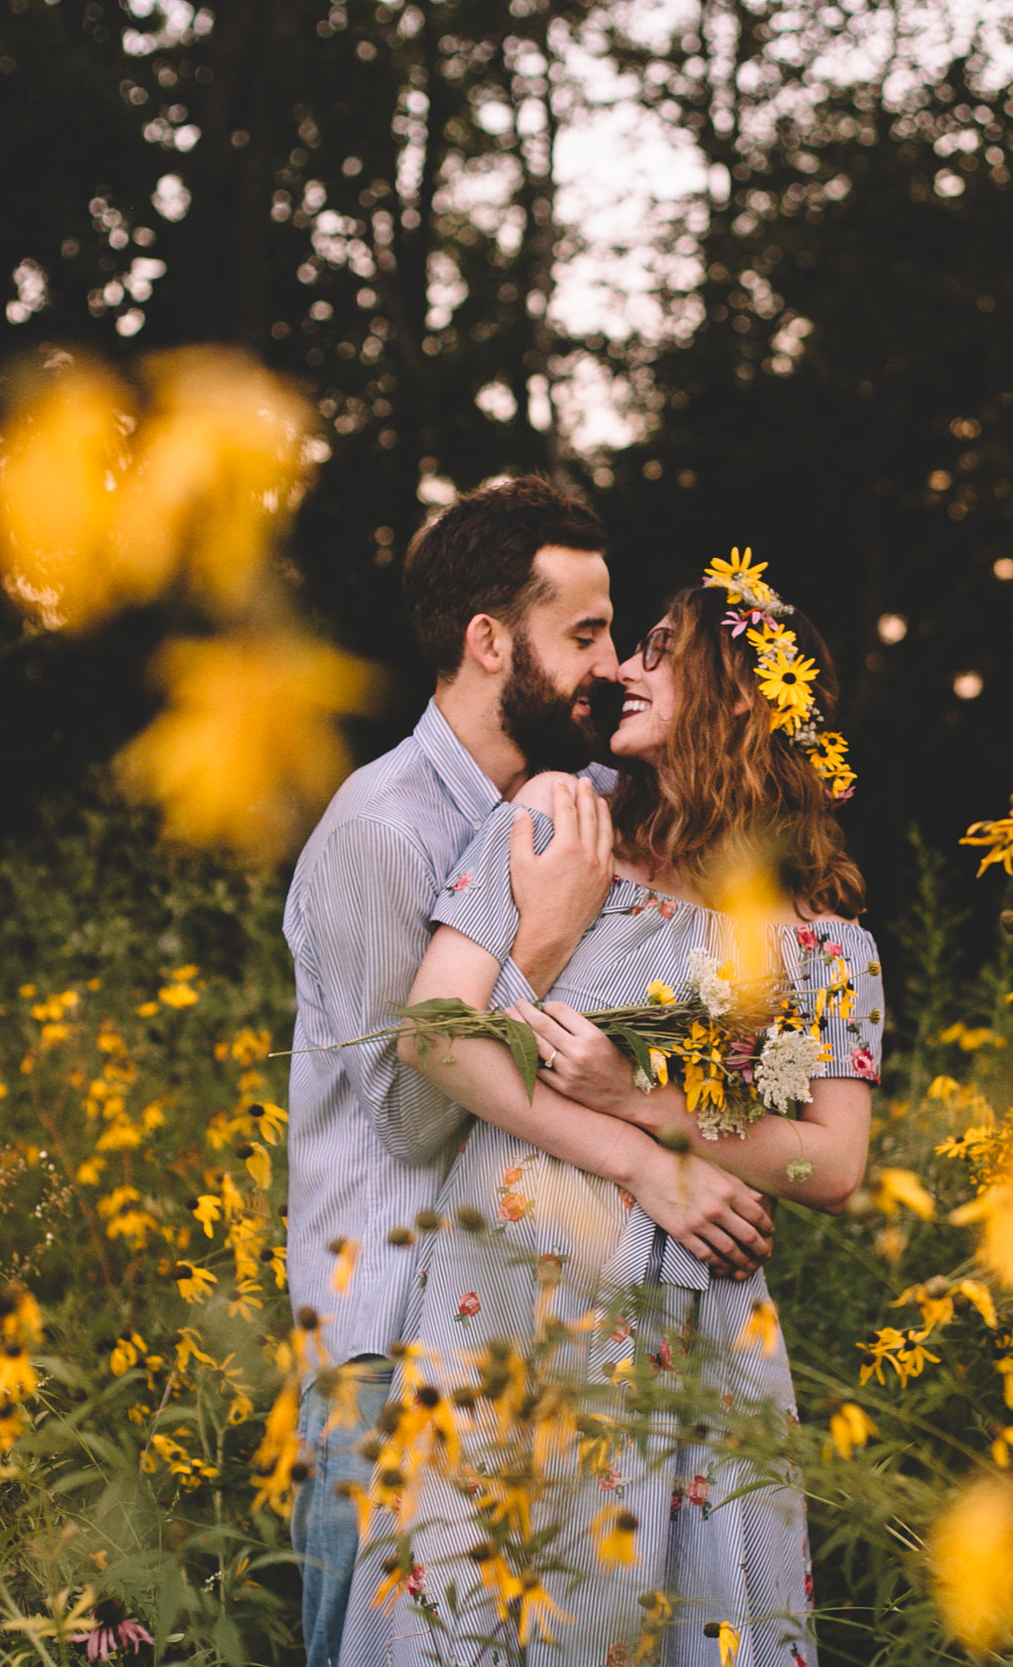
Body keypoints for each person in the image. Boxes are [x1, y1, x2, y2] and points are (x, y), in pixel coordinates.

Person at [339, 555, 883, 1667]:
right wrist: (640, 1161)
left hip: (691, 1322)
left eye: (660, 651)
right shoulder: (557, 825)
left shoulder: (822, 943)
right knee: (469, 1604)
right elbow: (437, 1035)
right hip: (506, 1294)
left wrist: (645, 1100)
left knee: (662, 1614)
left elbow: (829, 1164)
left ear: (736, 694)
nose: (625, 669)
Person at [284, 480, 780, 1667]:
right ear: (488, 641)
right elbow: (408, 1114)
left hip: (545, 1345)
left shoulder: (588, 804)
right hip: (390, 1357)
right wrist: (536, 944)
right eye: (585, 634)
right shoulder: (379, 830)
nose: (610, 663)